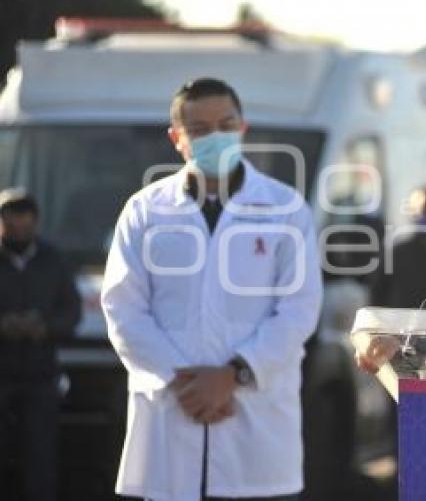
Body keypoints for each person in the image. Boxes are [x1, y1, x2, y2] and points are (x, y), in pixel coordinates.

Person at [101, 78, 322, 501]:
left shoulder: (285, 207)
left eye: (226, 124)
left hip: (255, 429)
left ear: (243, 128)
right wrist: (186, 382)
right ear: (176, 138)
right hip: (171, 418)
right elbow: (124, 310)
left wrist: (232, 375)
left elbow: (299, 309)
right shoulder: (145, 211)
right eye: (200, 130)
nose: (215, 137)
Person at [0, 188, 82, 501]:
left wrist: (44, 327)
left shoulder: (54, 260)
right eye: (10, 225)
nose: (18, 231)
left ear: (35, 223)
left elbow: (71, 311)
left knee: (40, 461)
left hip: (40, 377)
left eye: (24, 224)